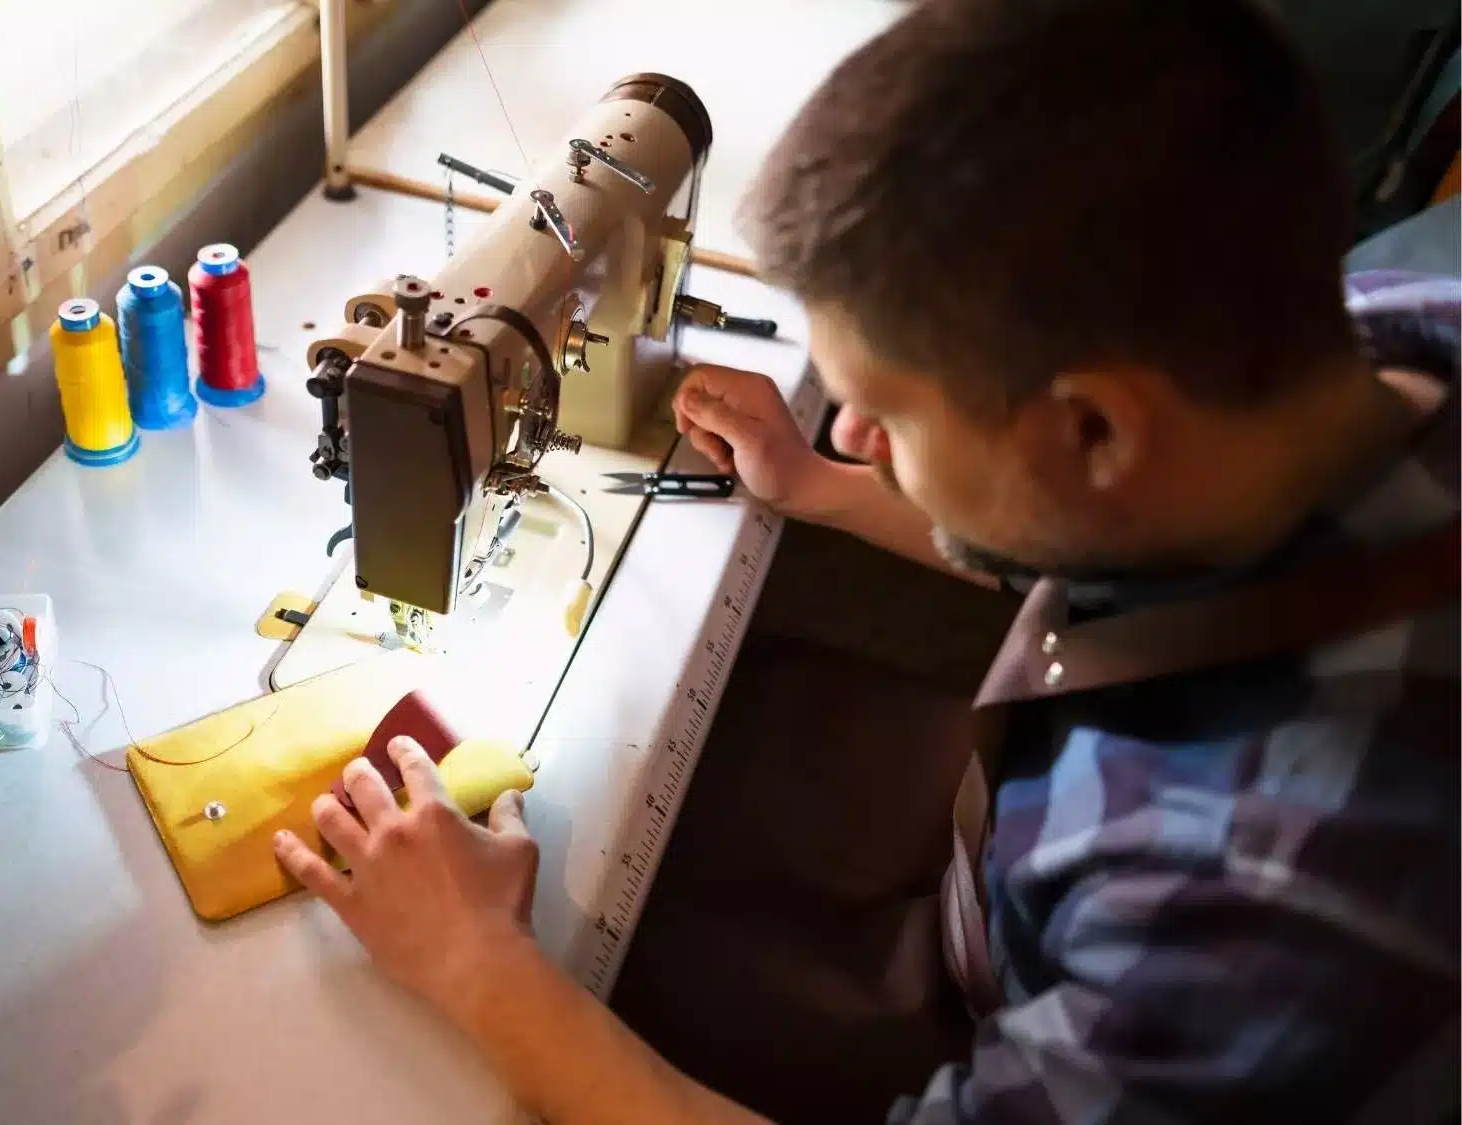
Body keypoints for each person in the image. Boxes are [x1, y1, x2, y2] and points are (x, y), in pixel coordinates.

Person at [274, 0, 1460, 1120]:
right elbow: (1120, 519)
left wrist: (477, 965)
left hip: (1024, 999)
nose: (849, 433)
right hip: (1010, 833)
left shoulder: (1252, 925)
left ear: (1094, 430)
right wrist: (826, 491)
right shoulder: (1381, 328)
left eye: (884, 409)